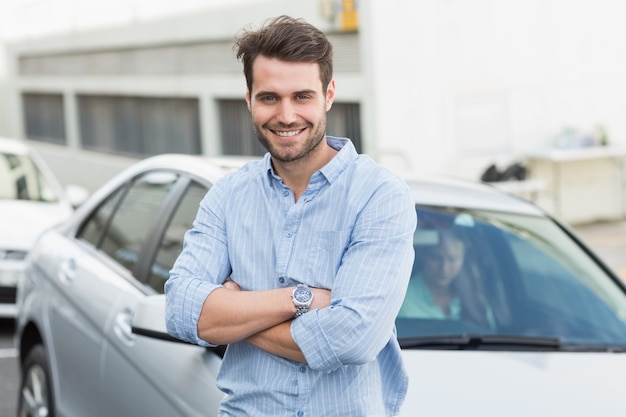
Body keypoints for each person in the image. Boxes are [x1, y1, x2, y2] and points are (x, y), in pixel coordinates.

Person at [164, 15, 417, 417]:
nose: (285, 116)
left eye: (302, 96)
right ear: (249, 98)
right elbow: (180, 310)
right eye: (269, 98)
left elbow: (353, 339)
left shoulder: (379, 196)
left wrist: (237, 313)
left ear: (328, 94)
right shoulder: (227, 197)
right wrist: (302, 299)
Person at [398, 229, 494, 328]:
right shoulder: (402, 299)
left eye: (452, 259)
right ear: (423, 255)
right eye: (435, 258)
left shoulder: (477, 298)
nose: (444, 268)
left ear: (464, 258)